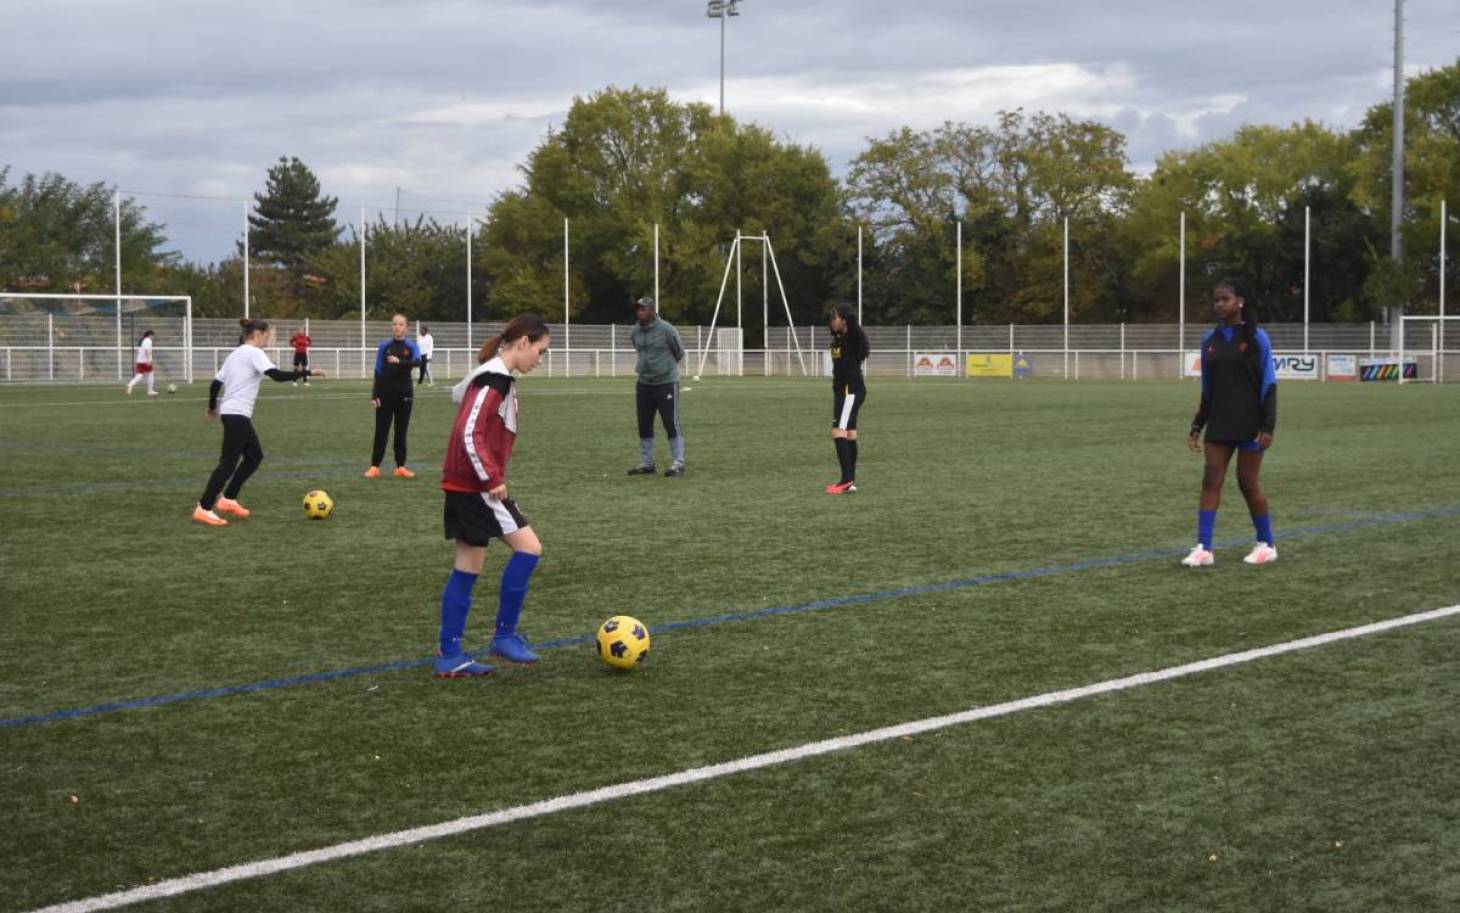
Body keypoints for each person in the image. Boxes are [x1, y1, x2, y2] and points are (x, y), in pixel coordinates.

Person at [434, 313, 552, 677]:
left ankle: (450, 654)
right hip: (475, 486)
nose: (540, 359)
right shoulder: (495, 380)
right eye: (541, 351)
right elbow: (469, 432)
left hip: (464, 484)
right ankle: (503, 636)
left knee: (468, 565)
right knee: (529, 548)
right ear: (523, 343)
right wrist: (490, 478)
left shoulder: (493, 376)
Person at [1182, 279, 1278, 567]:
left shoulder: (1258, 337)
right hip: (1220, 423)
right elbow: (1207, 389)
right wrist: (1198, 425)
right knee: (1211, 478)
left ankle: (1267, 543)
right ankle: (1204, 547)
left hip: (1250, 423)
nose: (1219, 304)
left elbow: (1269, 384)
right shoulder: (1208, 341)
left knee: (1247, 483)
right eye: (1216, 300)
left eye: (1225, 299)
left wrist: (1267, 426)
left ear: (1240, 302)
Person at [193, 318, 324, 526]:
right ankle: (204, 507)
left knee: (254, 456)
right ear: (258, 334)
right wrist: (307, 372)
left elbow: (215, 384)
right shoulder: (254, 353)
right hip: (237, 414)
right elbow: (277, 376)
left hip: (234, 413)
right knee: (228, 463)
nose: (268, 339)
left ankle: (227, 499)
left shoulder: (235, 354)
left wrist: (211, 407)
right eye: (268, 335)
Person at [626, 296, 687, 477]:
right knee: (644, 424)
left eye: (643, 309)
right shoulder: (634, 332)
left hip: (666, 383)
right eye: (637, 309)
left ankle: (678, 462)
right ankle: (648, 463)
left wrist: (665, 369)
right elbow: (639, 351)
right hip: (644, 383)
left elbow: (679, 352)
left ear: (652, 311)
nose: (640, 312)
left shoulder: (666, 329)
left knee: (670, 422)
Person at [365, 313, 421, 479]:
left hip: (405, 393)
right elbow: (378, 370)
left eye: (401, 324)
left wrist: (400, 362)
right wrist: (375, 394)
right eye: (394, 324)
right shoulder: (384, 346)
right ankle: (375, 466)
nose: (397, 327)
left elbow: (418, 362)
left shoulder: (412, 346)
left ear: (407, 328)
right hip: (385, 393)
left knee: (401, 431)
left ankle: (400, 466)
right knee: (381, 431)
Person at [826, 303, 870, 494]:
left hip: (850, 390)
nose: (832, 321)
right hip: (842, 390)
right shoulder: (836, 339)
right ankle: (850, 482)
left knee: (838, 430)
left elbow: (853, 331)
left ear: (844, 320)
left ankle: (845, 480)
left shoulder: (851, 338)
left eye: (835, 317)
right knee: (850, 433)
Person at [125, 330, 158, 397]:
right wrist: (149, 359)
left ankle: (130, 385)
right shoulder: (148, 340)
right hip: (146, 361)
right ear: (150, 335)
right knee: (150, 375)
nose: (153, 337)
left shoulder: (142, 340)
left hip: (139, 361)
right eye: (153, 336)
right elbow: (147, 350)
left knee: (140, 375)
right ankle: (150, 391)